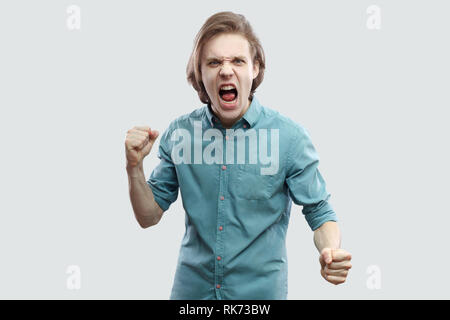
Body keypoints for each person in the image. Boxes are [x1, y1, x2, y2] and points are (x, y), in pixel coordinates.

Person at [125, 11, 352, 300]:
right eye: (214, 62)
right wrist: (134, 167)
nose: (226, 70)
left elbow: (320, 212)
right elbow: (148, 216)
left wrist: (329, 251)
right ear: (200, 72)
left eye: (237, 61)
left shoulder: (289, 137)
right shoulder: (179, 134)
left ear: (255, 68)